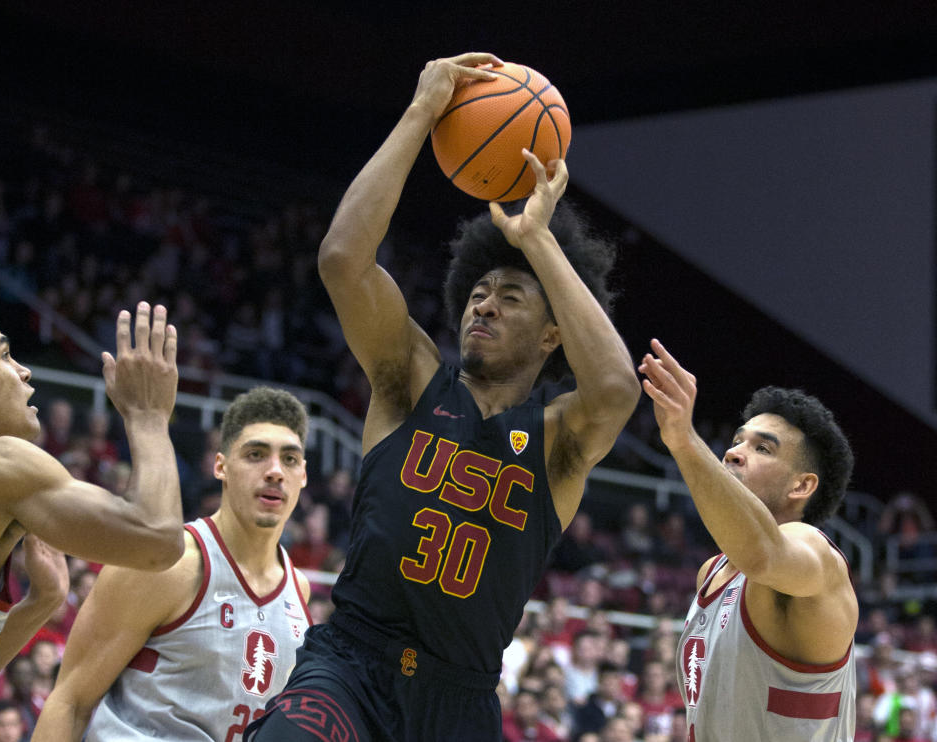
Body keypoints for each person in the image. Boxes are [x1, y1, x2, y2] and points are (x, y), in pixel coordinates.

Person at [246, 52, 639, 742]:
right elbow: (342, 260)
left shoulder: (556, 440)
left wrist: (537, 241)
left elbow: (614, 388)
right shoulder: (412, 379)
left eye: (508, 297)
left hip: (459, 699)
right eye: (477, 294)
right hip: (351, 665)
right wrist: (422, 113)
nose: (482, 307)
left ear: (553, 333)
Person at [33, 387, 314, 740]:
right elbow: (70, 702)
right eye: (256, 454)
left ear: (303, 475)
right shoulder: (169, 563)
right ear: (221, 467)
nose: (275, 471)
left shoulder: (298, 591)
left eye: (289, 459)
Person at [638, 339, 857, 741]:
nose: (735, 453)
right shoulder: (712, 571)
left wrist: (684, 440)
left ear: (802, 485)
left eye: (762, 449)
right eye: (738, 440)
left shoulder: (814, 552)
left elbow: (764, 555)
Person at [0, 300, 185, 709]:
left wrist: (42, 603)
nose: (23, 370)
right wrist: (148, 416)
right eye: (3, 355)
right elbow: (157, 538)